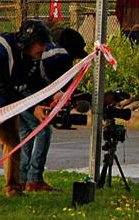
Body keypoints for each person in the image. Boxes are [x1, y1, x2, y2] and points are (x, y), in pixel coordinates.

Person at [18, 28, 88, 192]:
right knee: (43, 131)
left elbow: (53, 84)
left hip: (20, 91)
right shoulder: (60, 55)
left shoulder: (49, 52)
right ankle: (34, 179)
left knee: (26, 134)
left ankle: (21, 179)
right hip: (28, 94)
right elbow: (61, 85)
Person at [0, 20, 52, 197]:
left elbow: (32, 81)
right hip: (2, 99)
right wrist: (32, 107)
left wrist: (53, 94)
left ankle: (13, 188)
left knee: (12, 142)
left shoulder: (28, 57)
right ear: (29, 41)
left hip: (5, 104)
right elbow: (2, 85)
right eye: (41, 44)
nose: (43, 49)